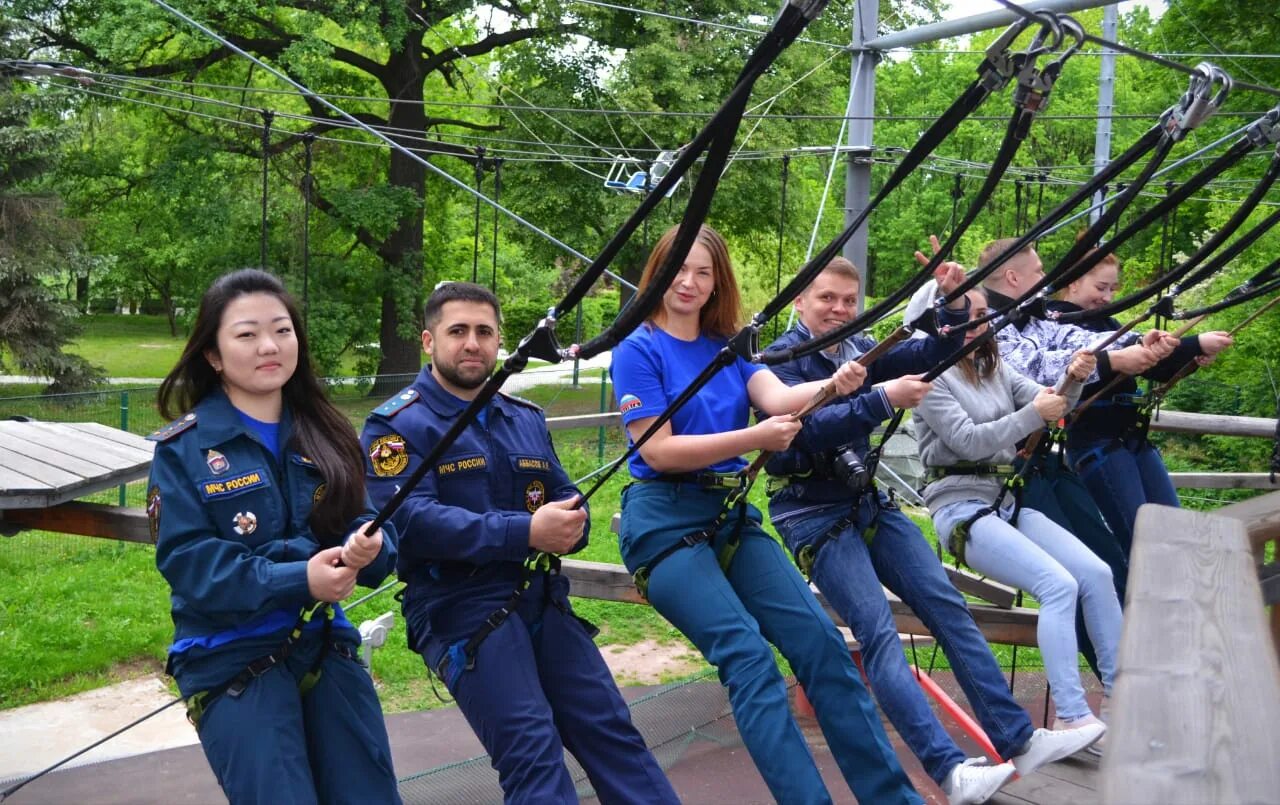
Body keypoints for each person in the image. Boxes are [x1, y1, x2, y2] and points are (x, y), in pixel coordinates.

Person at [764, 254, 1105, 803]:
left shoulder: (862, 350)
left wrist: (951, 303)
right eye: (827, 298)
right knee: (878, 632)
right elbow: (799, 434)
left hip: (866, 500)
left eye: (849, 301)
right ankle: (948, 769)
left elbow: (935, 351)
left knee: (946, 606)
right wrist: (877, 399)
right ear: (800, 300)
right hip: (810, 513)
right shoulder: (779, 361)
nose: (840, 310)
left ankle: (1017, 737)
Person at [611, 224, 922, 804]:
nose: (690, 281)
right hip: (663, 519)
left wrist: (836, 384)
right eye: (680, 268)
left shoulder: (728, 348)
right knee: (749, 658)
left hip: (726, 513)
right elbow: (656, 448)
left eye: (704, 272)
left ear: (717, 282)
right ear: (658, 270)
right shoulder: (637, 348)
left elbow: (780, 398)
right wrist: (753, 437)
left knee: (822, 646)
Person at [360, 282, 676, 804]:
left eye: (484, 332)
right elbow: (408, 521)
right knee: (533, 752)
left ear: (499, 341)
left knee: (613, 733)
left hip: (539, 596)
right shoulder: (397, 425)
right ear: (428, 341)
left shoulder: (522, 418)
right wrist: (525, 531)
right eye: (457, 331)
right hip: (457, 604)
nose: (472, 343)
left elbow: (565, 494)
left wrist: (571, 526)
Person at [148, 269, 401, 804]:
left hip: (323, 643)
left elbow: (371, 526)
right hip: (228, 655)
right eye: (246, 334)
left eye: (282, 330)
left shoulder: (328, 430)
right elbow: (192, 564)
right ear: (213, 355)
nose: (269, 346)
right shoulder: (183, 450)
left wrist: (370, 544)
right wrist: (299, 576)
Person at [915, 287, 1124, 742]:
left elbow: (1054, 401)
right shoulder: (927, 379)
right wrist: (1033, 414)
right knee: (1058, 585)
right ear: (940, 324)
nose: (981, 324)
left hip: (1003, 505)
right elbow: (968, 441)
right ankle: (1071, 713)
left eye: (985, 315)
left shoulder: (995, 368)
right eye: (968, 316)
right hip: (960, 510)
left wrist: (1075, 377)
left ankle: (1121, 697)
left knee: (1096, 572)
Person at [1049, 250, 1233, 554]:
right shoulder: (1057, 323)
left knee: (1176, 533)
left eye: (1112, 289)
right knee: (1144, 545)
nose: (1107, 297)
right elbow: (1099, 354)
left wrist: (1191, 360)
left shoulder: (1105, 322)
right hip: (1098, 443)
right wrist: (1194, 343)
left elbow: (1152, 364)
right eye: (1100, 287)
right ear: (1073, 283)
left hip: (1131, 441)